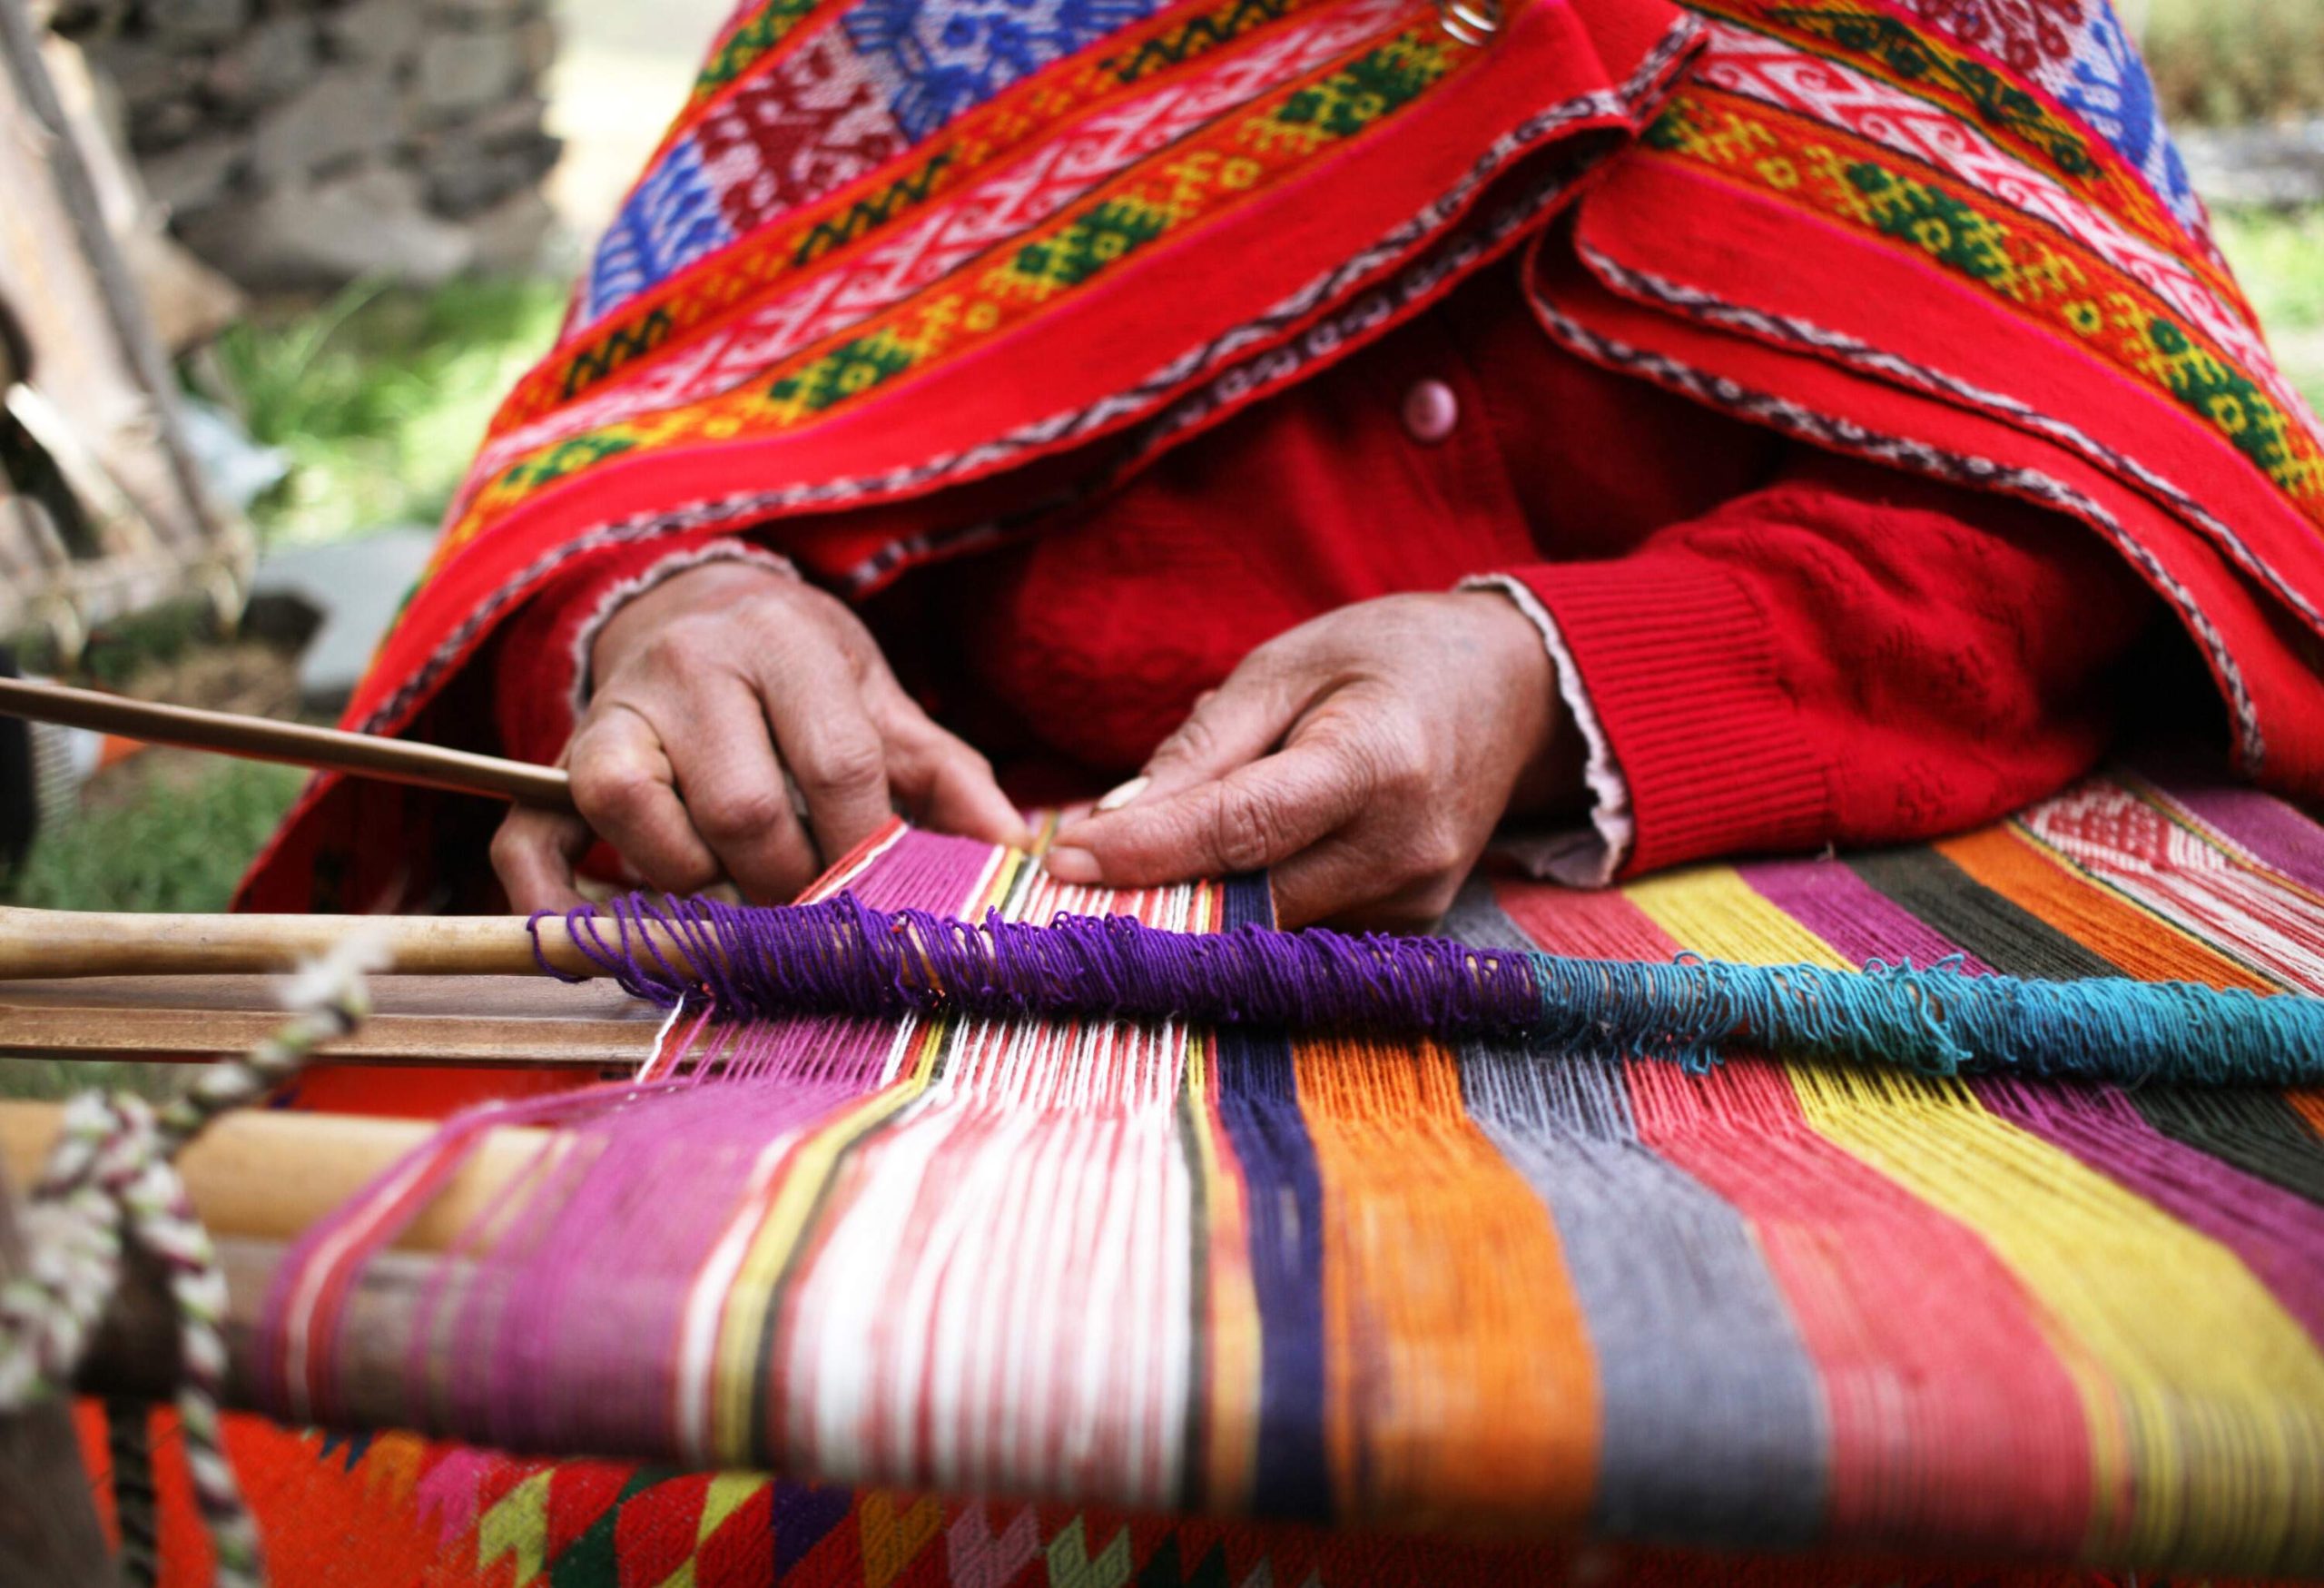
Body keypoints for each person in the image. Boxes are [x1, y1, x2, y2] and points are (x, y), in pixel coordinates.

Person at [242, 0, 2324, 938]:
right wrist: (685, 617)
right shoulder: (910, 26)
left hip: (1821, 937)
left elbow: (2126, 512)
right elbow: (648, 452)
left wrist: (1555, 679)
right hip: (982, 991)